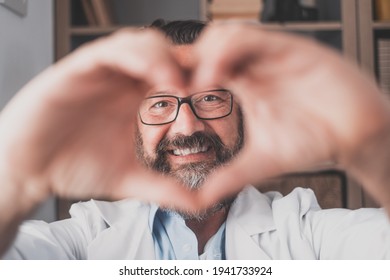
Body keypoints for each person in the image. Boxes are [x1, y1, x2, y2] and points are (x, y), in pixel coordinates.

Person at [0, 19, 389, 260]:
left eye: (211, 98)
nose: (187, 128)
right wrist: (14, 176)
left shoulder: (308, 235)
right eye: (159, 103)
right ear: (131, 122)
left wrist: (376, 143)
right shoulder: (84, 239)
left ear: (243, 111)